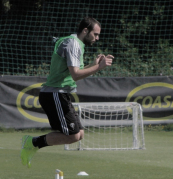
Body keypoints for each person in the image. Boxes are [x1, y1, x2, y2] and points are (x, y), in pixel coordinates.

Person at [20, 17, 114, 168]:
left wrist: (93, 65)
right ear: (85, 31)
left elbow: (74, 73)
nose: (97, 38)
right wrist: (99, 67)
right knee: (73, 135)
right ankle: (32, 142)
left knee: (79, 135)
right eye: (95, 34)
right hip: (54, 94)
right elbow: (76, 74)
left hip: (60, 94)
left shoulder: (76, 43)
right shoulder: (73, 44)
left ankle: (33, 143)